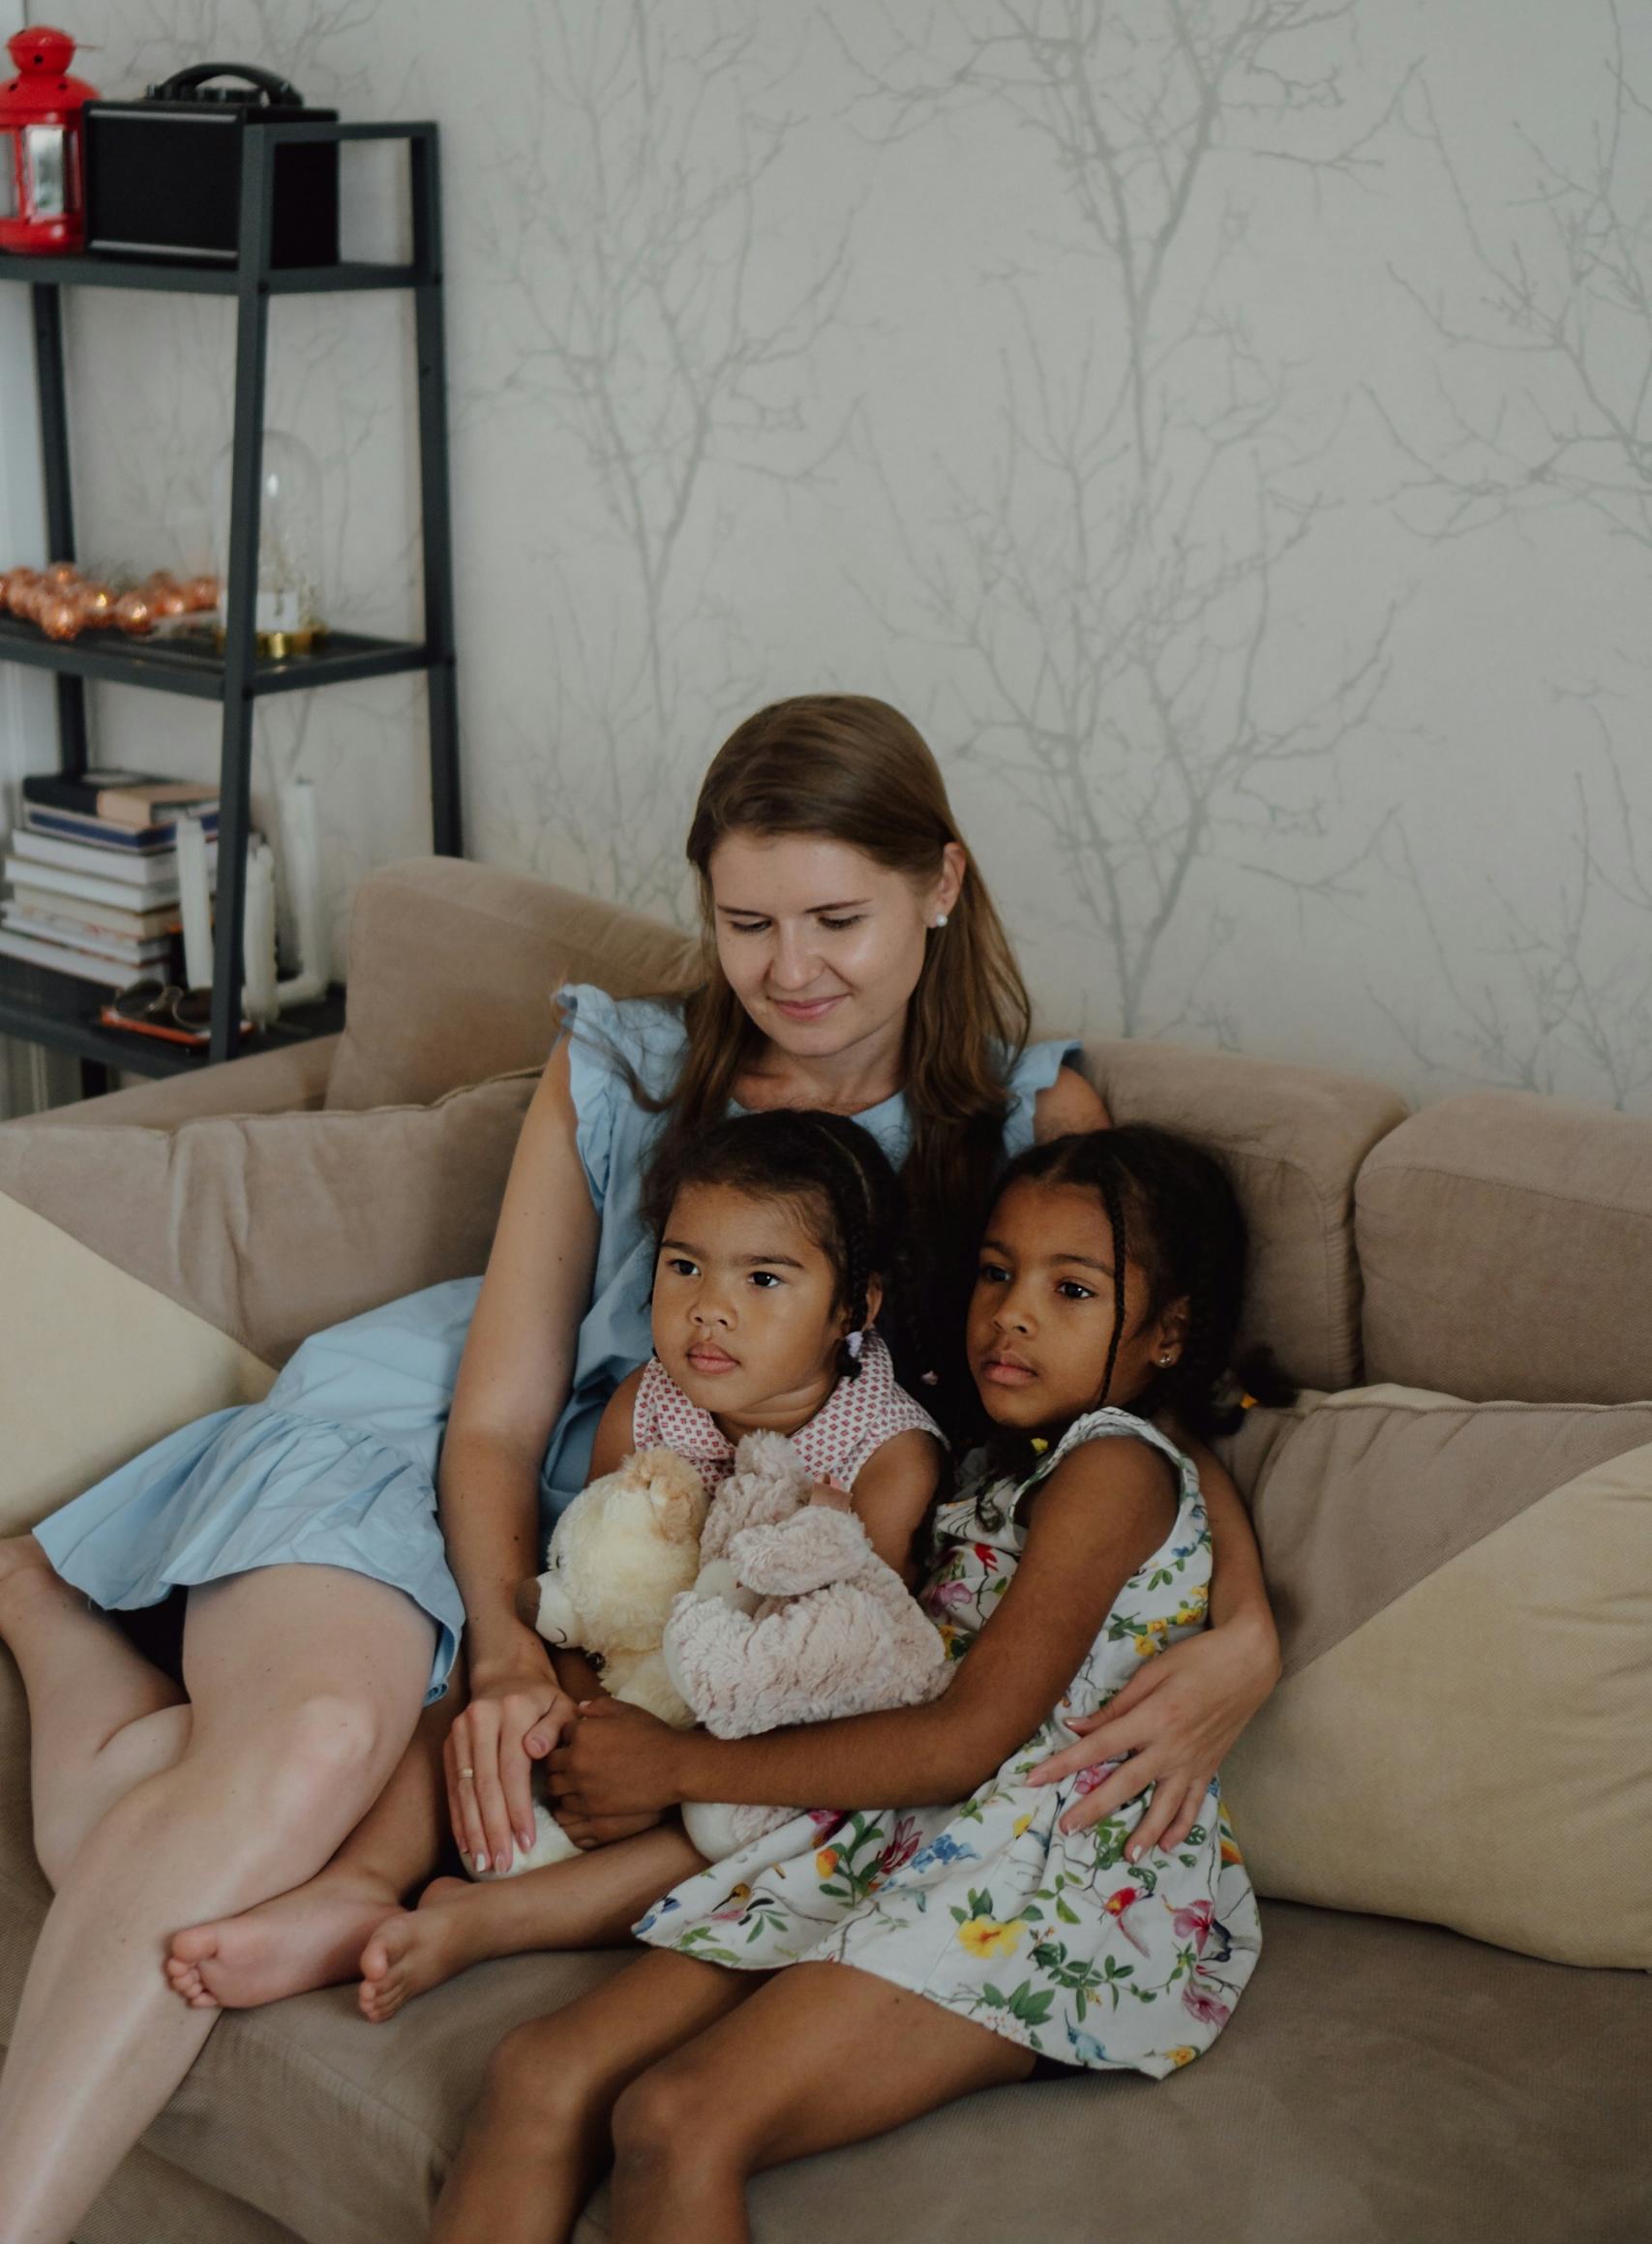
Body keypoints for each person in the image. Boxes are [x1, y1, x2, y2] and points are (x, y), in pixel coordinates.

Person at [0, 694, 1277, 2244]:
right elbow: (494, 1410)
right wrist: (503, 1646)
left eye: (836, 919)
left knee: (184, 1828)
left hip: (655, 1537)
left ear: (940, 886)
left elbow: (1128, 1406)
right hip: (436, 1443)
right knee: (317, 1742)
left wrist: (1248, 1634)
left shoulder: (1022, 1112)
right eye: (746, 921)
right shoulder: (622, 1060)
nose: (789, 970)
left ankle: (63, 1635)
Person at [431, 1124, 1266, 2244]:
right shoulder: (974, 1447)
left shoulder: (1115, 1465)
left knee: (676, 2120)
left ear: (1169, 1329)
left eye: (1072, 1289)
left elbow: (968, 1741)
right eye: (995, 1273)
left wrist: (681, 1763)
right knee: (539, 2072)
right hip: (885, 1831)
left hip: (1043, 1873)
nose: (1012, 1313)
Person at [358, 1104, 946, 2019]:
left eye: (762, 1278)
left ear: (853, 1307)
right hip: (621, 1692)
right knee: (467, 1707)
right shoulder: (649, 1400)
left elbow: (849, 1659)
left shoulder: (886, 1457)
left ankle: (480, 1922)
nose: (708, 1307)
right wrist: (577, 1715)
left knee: (724, 1837)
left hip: (753, 1741)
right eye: (683, 1267)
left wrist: (663, 1764)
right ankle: (358, 1883)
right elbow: (580, 1585)